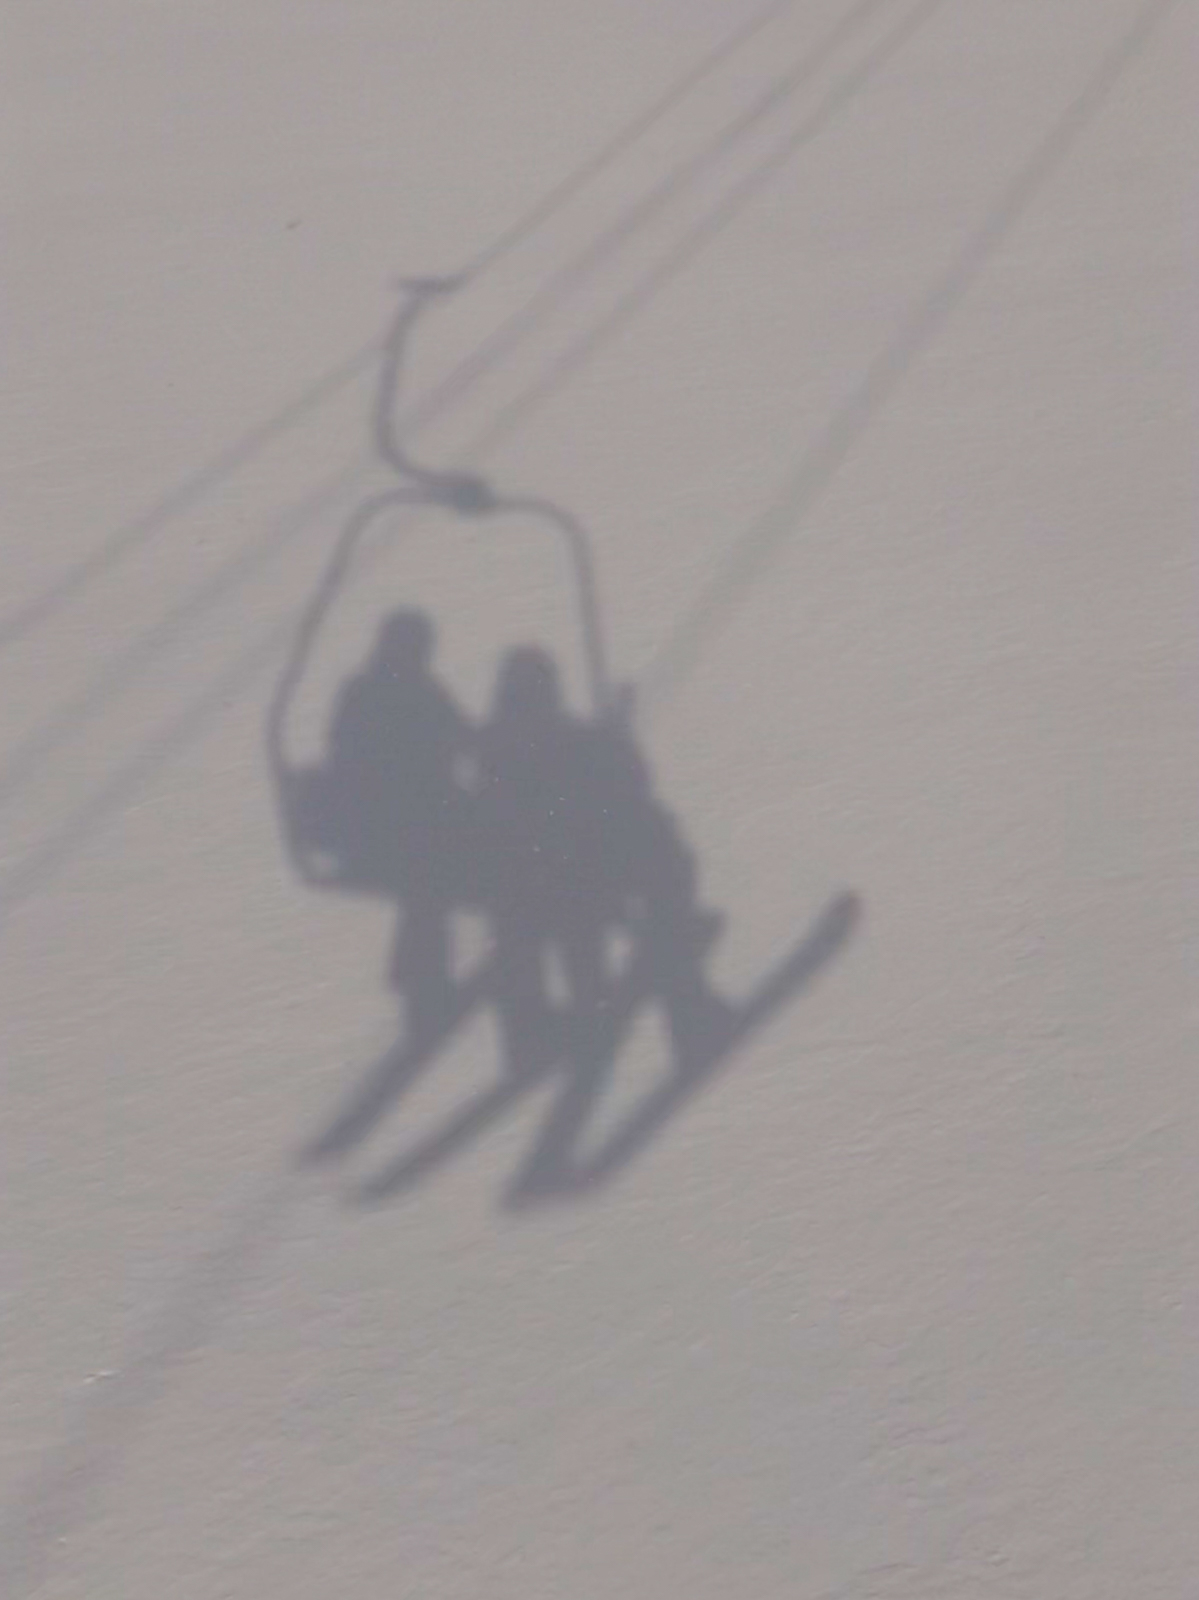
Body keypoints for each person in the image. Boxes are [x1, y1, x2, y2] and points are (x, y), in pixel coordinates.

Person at [325, 609, 474, 1038]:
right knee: (432, 877)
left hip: (371, 835)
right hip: (405, 835)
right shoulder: (420, 695)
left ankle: (416, 975)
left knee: (428, 879)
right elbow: (467, 740)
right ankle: (423, 981)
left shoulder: (361, 692)